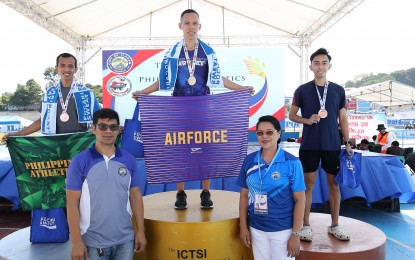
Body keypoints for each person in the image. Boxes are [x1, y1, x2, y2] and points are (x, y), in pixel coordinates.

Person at [131, 9, 254, 210]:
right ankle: (181, 193)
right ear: (180, 26)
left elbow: (218, 78)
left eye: (194, 23)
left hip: (203, 109)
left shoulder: (208, 52)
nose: (190, 27)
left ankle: (206, 192)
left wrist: (241, 88)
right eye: (186, 23)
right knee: (180, 150)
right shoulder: (172, 53)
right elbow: (163, 81)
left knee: (204, 149)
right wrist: (143, 92)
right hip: (178, 109)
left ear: (199, 26)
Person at [288, 48, 351, 242]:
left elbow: (343, 118)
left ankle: (335, 225)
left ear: (329, 66)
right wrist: (307, 120)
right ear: (311, 66)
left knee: (333, 185)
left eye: (324, 63)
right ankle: (305, 225)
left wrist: (347, 142)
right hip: (309, 145)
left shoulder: (338, 90)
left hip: (333, 145)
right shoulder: (302, 90)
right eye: (317, 63)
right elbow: (292, 115)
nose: (320, 66)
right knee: (307, 185)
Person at [66, 108, 146, 260]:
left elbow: (135, 196)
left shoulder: (129, 160)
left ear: (118, 130)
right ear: (93, 129)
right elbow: (71, 203)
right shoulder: (79, 162)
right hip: (93, 243)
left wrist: (140, 231)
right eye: (102, 126)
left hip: (125, 241)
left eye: (113, 127)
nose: (108, 131)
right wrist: (76, 242)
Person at [237, 115, 306, 259]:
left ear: (279, 133)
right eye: (260, 133)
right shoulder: (249, 160)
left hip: (283, 231)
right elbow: (244, 195)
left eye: (269, 132)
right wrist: (243, 227)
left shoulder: (292, 162)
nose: (264, 136)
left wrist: (296, 233)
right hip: (256, 229)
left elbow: (300, 200)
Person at [1, 52, 100, 142]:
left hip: (81, 143)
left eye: (70, 66)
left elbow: (99, 119)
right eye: (62, 65)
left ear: (75, 69)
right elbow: (41, 121)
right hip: (55, 145)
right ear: (57, 68)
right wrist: (16, 135)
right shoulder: (49, 94)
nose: (66, 69)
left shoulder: (86, 93)